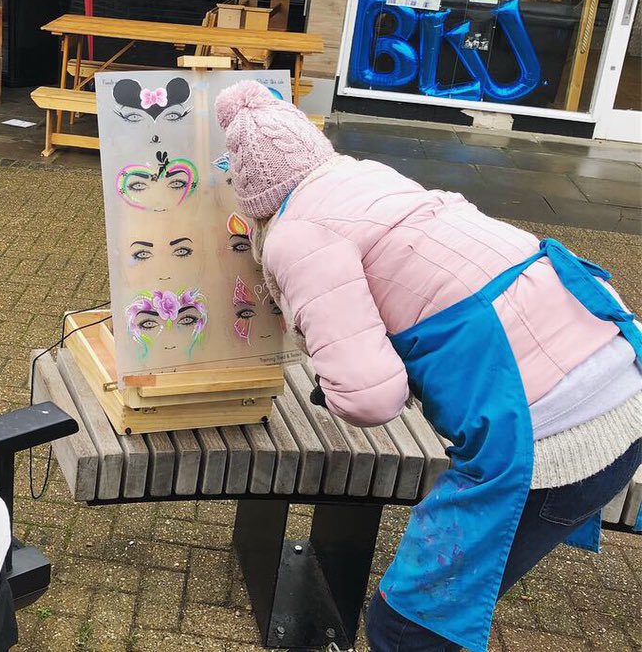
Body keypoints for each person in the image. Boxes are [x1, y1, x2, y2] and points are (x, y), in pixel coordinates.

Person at [214, 80, 642, 652]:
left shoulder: (296, 235)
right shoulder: (367, 177)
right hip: (620, 366)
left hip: (557, 438)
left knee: (409, 627)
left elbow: (371, 396)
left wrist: (326, 381)